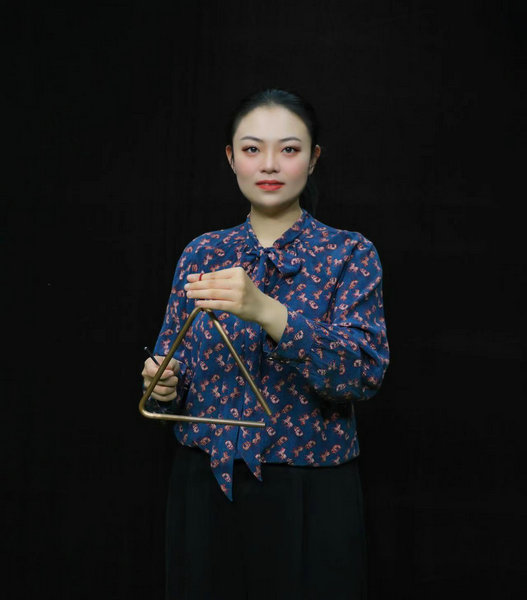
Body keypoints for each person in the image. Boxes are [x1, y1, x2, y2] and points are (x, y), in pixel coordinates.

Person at [141, 89, 389, 600]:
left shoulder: (350, 253)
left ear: (313, 158)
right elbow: (175, 367)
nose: (269, 164)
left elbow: (361, 375)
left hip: (309, 490)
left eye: (289, 149)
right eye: (252, 149)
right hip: (205, 483)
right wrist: (163, 385)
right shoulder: (202, 252)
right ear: (231, 158)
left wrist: (268, 312)